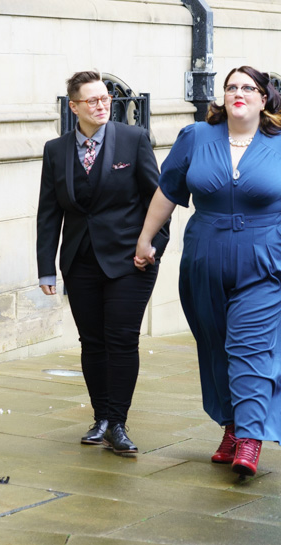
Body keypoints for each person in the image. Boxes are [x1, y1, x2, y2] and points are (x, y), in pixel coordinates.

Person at [134, 65, 281, 477]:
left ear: (265, 99)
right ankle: (232, 424)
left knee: (249, 345)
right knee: (216, 345)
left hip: (266, 258)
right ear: (221, 98)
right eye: (230, 88)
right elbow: (168, 191)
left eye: (248, 87)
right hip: (205, 256)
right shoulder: (195, 138)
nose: (238, 93)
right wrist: (145, 239)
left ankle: (249, 437)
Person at [37, 70, 170, 457]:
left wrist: (154, 246)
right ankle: (101, 419)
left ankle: (118, 423)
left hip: (131, 261)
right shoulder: (56, 150)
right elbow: (49, 213)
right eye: (92, 100)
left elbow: (158, 199)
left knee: (122, 339)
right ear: (74, 106)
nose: (101, 105)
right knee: (92, 342)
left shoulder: (133, 140)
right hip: (80, 261)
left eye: (105, 99)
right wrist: (47, 266)